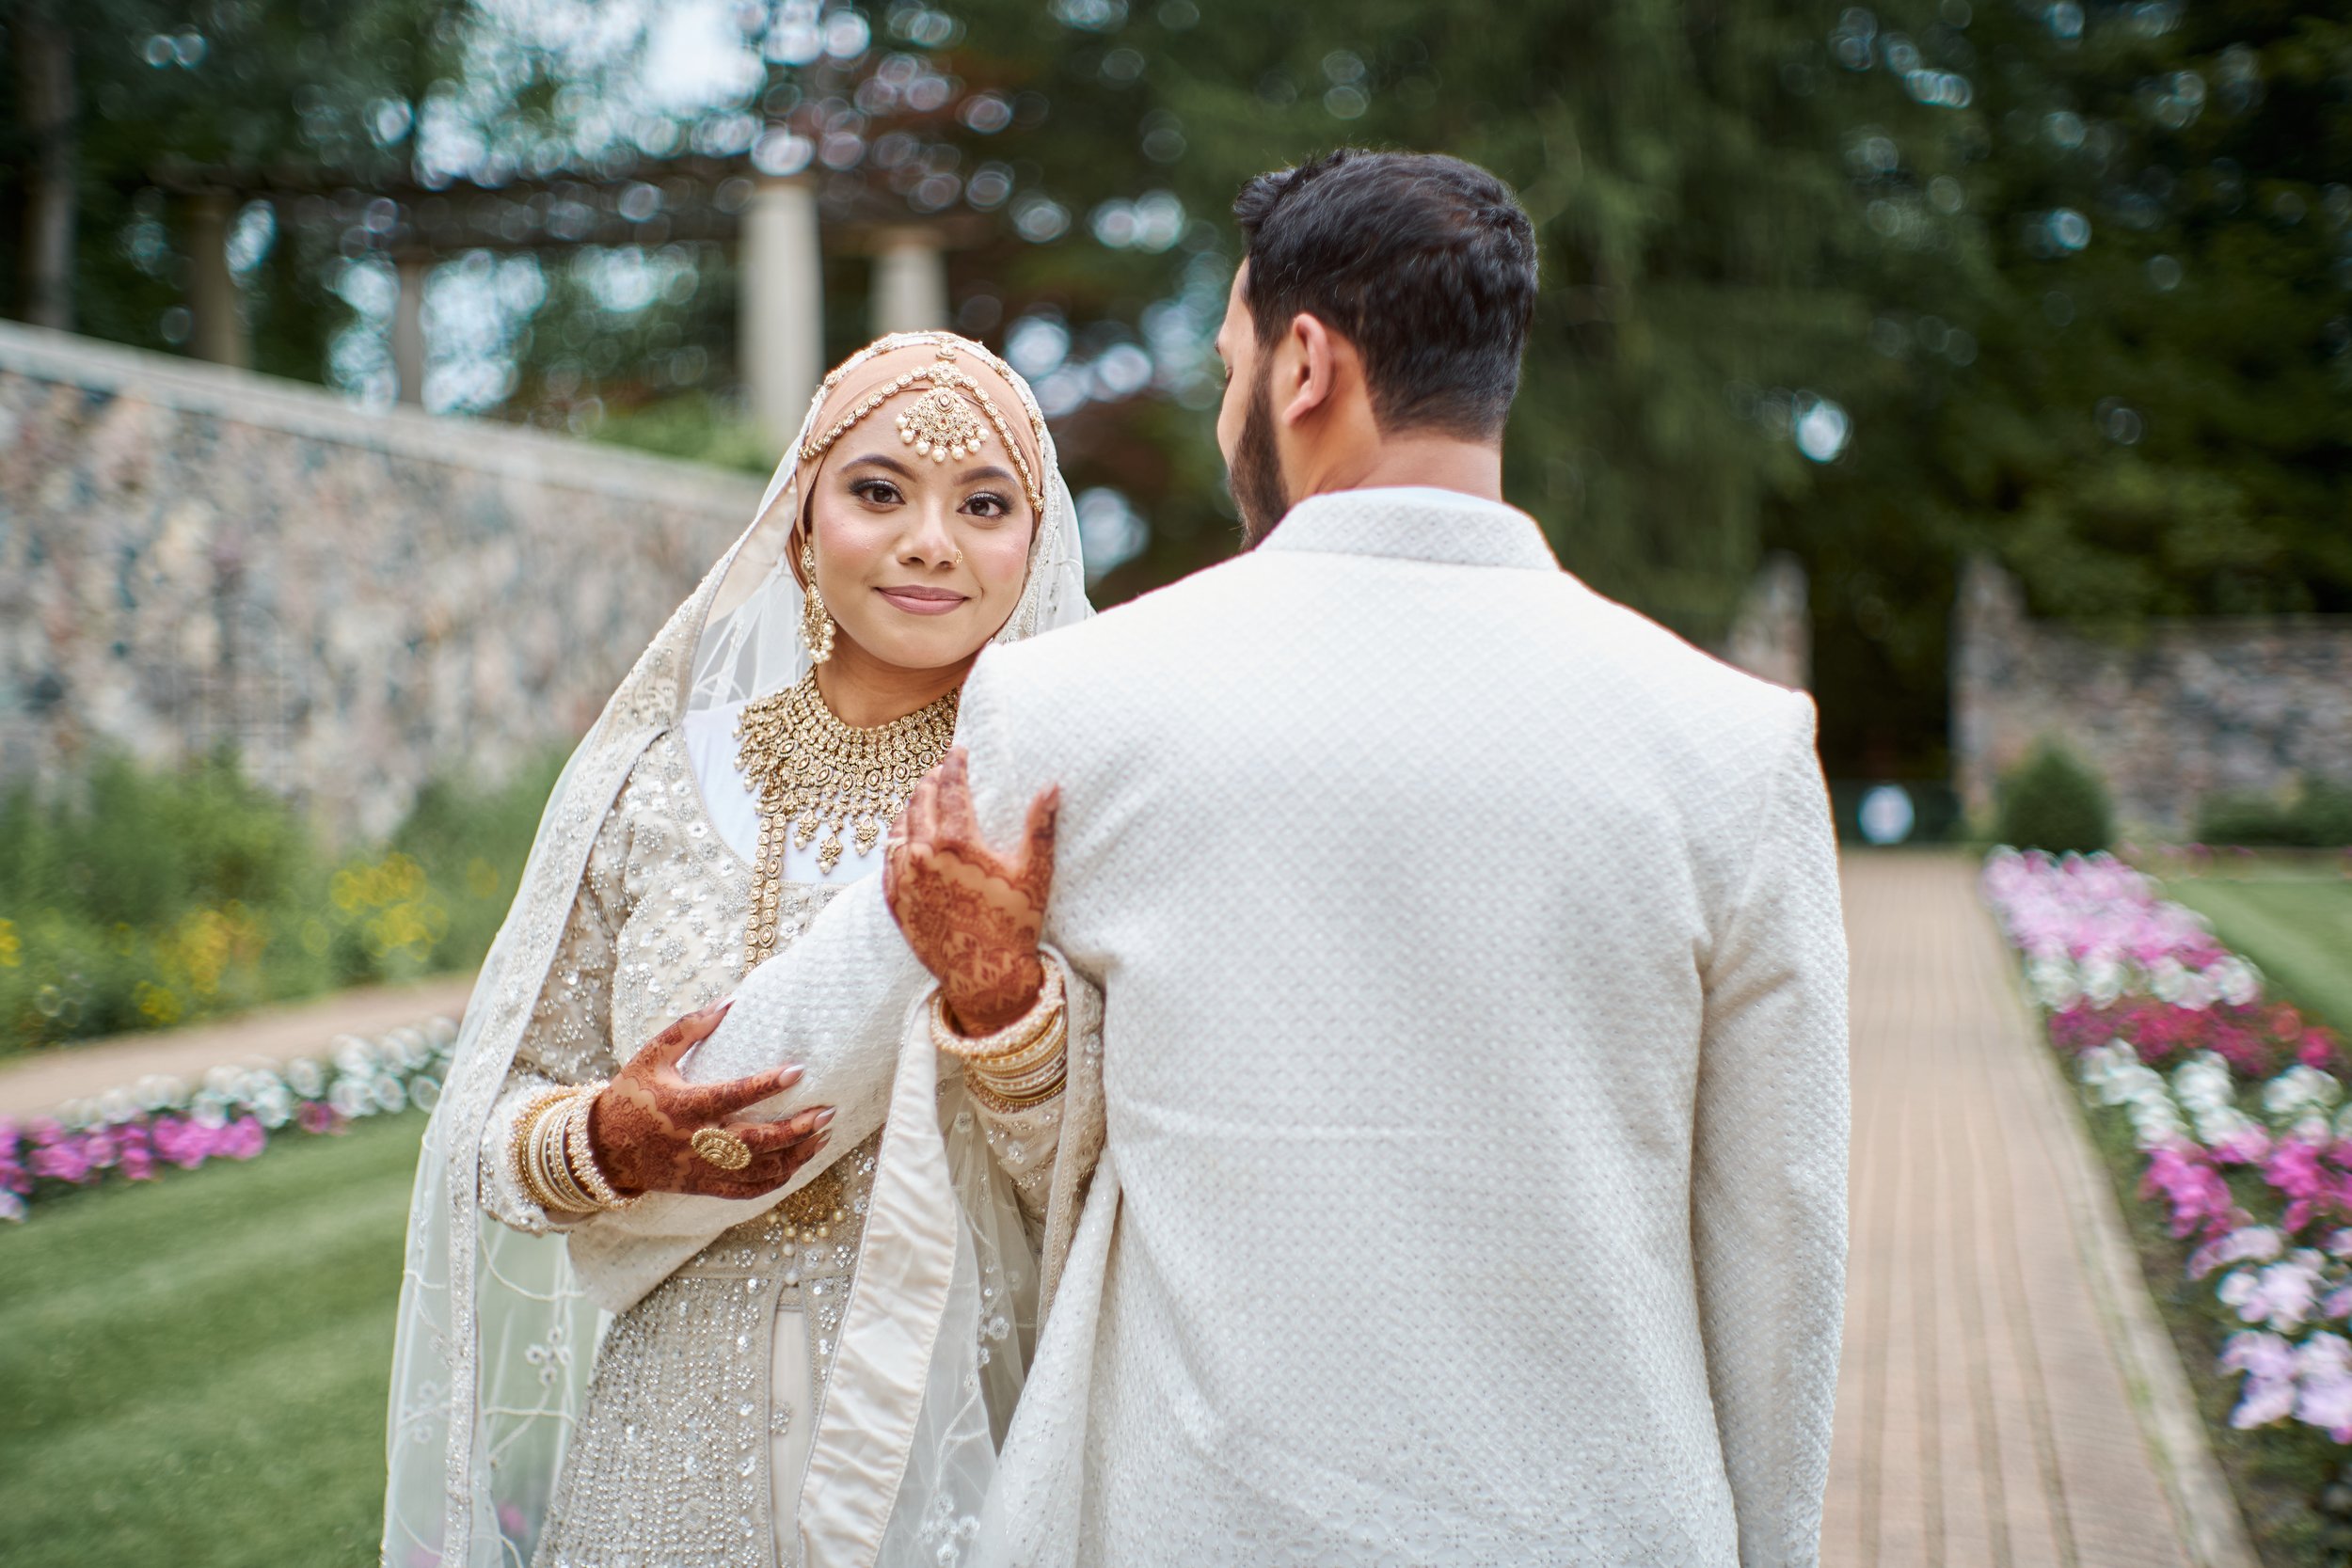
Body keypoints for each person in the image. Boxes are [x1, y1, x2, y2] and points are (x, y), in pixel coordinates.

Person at [683, 149, 1851, 1566]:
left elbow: (786, 1059)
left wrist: (594, 1141)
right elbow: (1783, 1265)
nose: (1229, 406)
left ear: (1306, 367)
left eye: (1231, 366)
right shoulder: (1736, 752)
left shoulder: (1078, 709)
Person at [380, 332, 1091, 1568]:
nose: (932, 539)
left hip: (956, 1435)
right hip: (669, 1440)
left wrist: (1000, 1002)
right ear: (801, 530)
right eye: (879, 492)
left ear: (1033, 545)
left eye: (985, 504)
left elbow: (1107, 1181)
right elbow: (490, 1133)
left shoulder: (1053, 801)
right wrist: (608, 1139)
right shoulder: (664, 781)